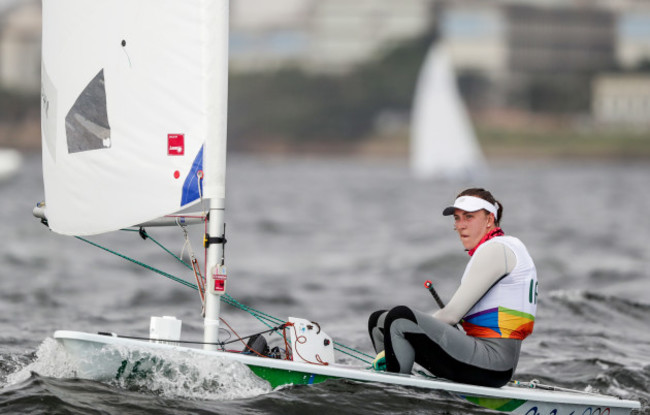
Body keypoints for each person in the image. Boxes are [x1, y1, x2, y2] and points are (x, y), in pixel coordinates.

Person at [367, 188, 538, 387]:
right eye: (457, 218)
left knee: (399, 318)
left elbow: (450, 316)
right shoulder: (504, 247)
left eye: (469, 217)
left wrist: (418, 329)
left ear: (489, 219)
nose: (461, 225)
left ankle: (395, 394)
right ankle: (391, 372)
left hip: (494, 364)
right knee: (380, 321)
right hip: (480, 354)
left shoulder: (497, 249)